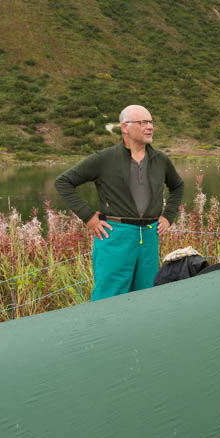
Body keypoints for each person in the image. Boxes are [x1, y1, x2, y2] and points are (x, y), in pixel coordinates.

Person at [55, 104, 185, 301]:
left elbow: (178, 186)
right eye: (143, 123)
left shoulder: (160, 160)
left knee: (146, 296)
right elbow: (63, 182)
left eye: (150, 122)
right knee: (109, 297)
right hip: (115, 235)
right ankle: (101, 332)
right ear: (125, 127)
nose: (149, 127)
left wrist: (168, 216)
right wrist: (89, 217)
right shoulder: (105, 158)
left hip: (149, 236)